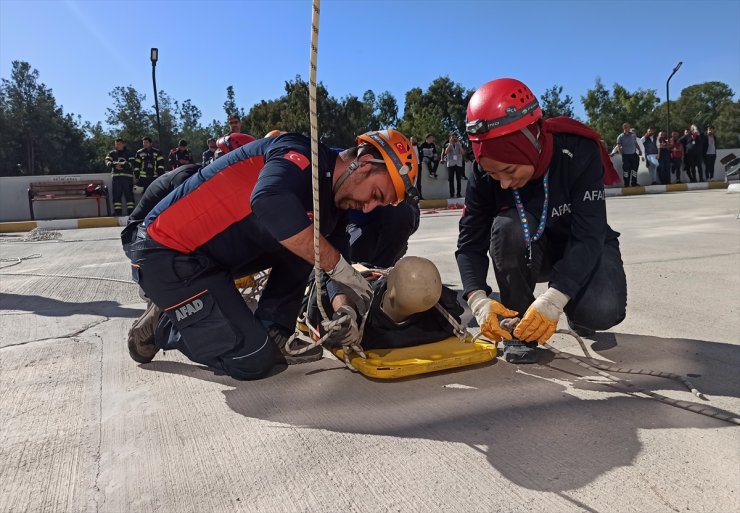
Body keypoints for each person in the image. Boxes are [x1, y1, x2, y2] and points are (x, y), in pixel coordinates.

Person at [125, 129, 418, 381]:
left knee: (310, 246)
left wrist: (347, 312)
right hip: (166, 253)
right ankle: (164, 323)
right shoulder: (298, 152)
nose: (367, 208)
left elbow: (333, 271)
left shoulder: (335, 211)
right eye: (376, 195)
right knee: (252, 360)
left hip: (212, 263)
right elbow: (268, 202)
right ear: (363, 164)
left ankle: (274, 328)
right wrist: (338, 266)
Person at [457, 78, 626, 364]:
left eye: (509, 170)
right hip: (532, 250)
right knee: (506, 228)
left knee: (602, 310)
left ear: (531, 141)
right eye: (495, 175)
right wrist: (477, 299)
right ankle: (520, 324)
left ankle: (575, 305)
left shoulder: (577, 152)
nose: (505, 184)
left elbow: (589, 235)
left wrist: (556, 298)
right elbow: (469, 245)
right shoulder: (482, 175)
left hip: (583, 246)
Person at [346, 203, 421, 268]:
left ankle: (380, 268)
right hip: (353, 232)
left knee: (401, 210)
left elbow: (409, 216)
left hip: (378, 231)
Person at [105, 138, 135, 216]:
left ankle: (131, 214)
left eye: (119, 143)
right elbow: (107, 161)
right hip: (116, 179)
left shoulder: (129, 153)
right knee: (116, 197)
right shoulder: (112, 153)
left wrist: (123, 165)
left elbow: (132, 163)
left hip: (127, 178)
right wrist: (114, 164)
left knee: (129, 197)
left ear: (123, 144)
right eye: (116, 144)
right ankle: (118, 214)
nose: (118, 145)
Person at [443, 132, 466, 198]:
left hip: (458, 163)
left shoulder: (459, 144)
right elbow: (446, 152)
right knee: (451, 180)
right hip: (451, 164)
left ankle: (458, 193)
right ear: (450, 138)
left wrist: (459, 145)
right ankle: (452, 194)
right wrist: (450, 144)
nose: (454, 139)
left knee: (458, 179)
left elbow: (463, 153)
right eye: (452, 137)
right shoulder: (448, 144)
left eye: (455, 137)